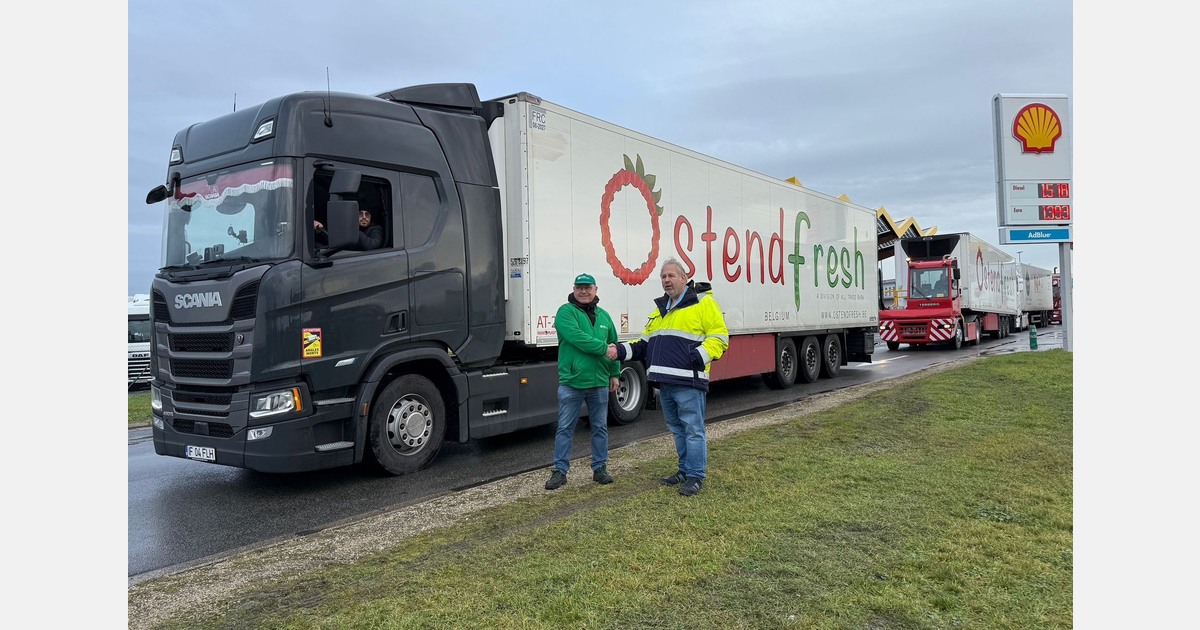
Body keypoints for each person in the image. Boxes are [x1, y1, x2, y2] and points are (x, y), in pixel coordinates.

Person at [613, 258, 728, 496]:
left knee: (693, 430)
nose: (666, 280)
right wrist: (619, 351)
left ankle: (696, 476)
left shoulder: (703, 302)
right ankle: (684, 471)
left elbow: (719, 337)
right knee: (677, 429)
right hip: (665, 382)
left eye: (671, 276)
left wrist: (697, 357)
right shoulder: (660, 310)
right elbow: (643, 345)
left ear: (684, 278)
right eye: (663, 276)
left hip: (689, 382)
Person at [545, 273, 621, 491]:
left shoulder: (604, 316)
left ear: (596, 290)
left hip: (599, 382)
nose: (583, 291)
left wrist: (614, 373)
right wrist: (603, 348)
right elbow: (577, 338)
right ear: (574, 289)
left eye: (588, 287)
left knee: (600, 427)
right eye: (579, 287)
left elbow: (614, 344)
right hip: (572, 382)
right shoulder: (565, 312)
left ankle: (600, 469)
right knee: (565, 428)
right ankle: (560, 471)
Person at [314, 208, 385, 251]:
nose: (364, 217)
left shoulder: (376, 229)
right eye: (360, 214)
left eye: (367, 215)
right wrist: (320, 230)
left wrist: (353, 230)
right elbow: (333, 241)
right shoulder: (348, 229)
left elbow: (373, 245)